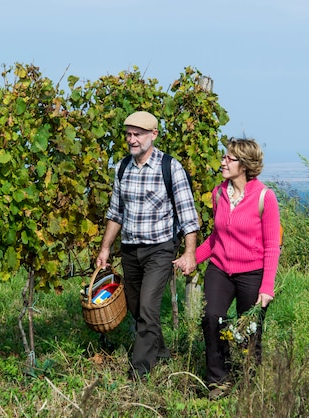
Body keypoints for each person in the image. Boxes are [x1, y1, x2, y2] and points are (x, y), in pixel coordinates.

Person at [95, 110, 200, 381]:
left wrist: (189, 252)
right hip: (130, 249)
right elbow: (115, 212)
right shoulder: (122, 168)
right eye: (129, 134)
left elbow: (188, 215)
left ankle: (139, 371)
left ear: (153, 135)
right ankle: (161, 352)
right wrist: (106, 248)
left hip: (160, 249)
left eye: (138, 134)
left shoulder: (170, 167)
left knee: (148, 307)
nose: (132, 140)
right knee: (136, 306)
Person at [175, 138, 281, 397]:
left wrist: (266, 287)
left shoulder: (265, 198)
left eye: (229, 158)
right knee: (212, 318)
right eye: (225, 157)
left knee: (249, 330)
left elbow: (271, 247)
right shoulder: (219, 193)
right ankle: (218, 380)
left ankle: (249, 381)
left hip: (252, 273)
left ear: (244, 165)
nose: (223, 162)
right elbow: (216, 237)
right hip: (220, 269)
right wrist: (192, 259)